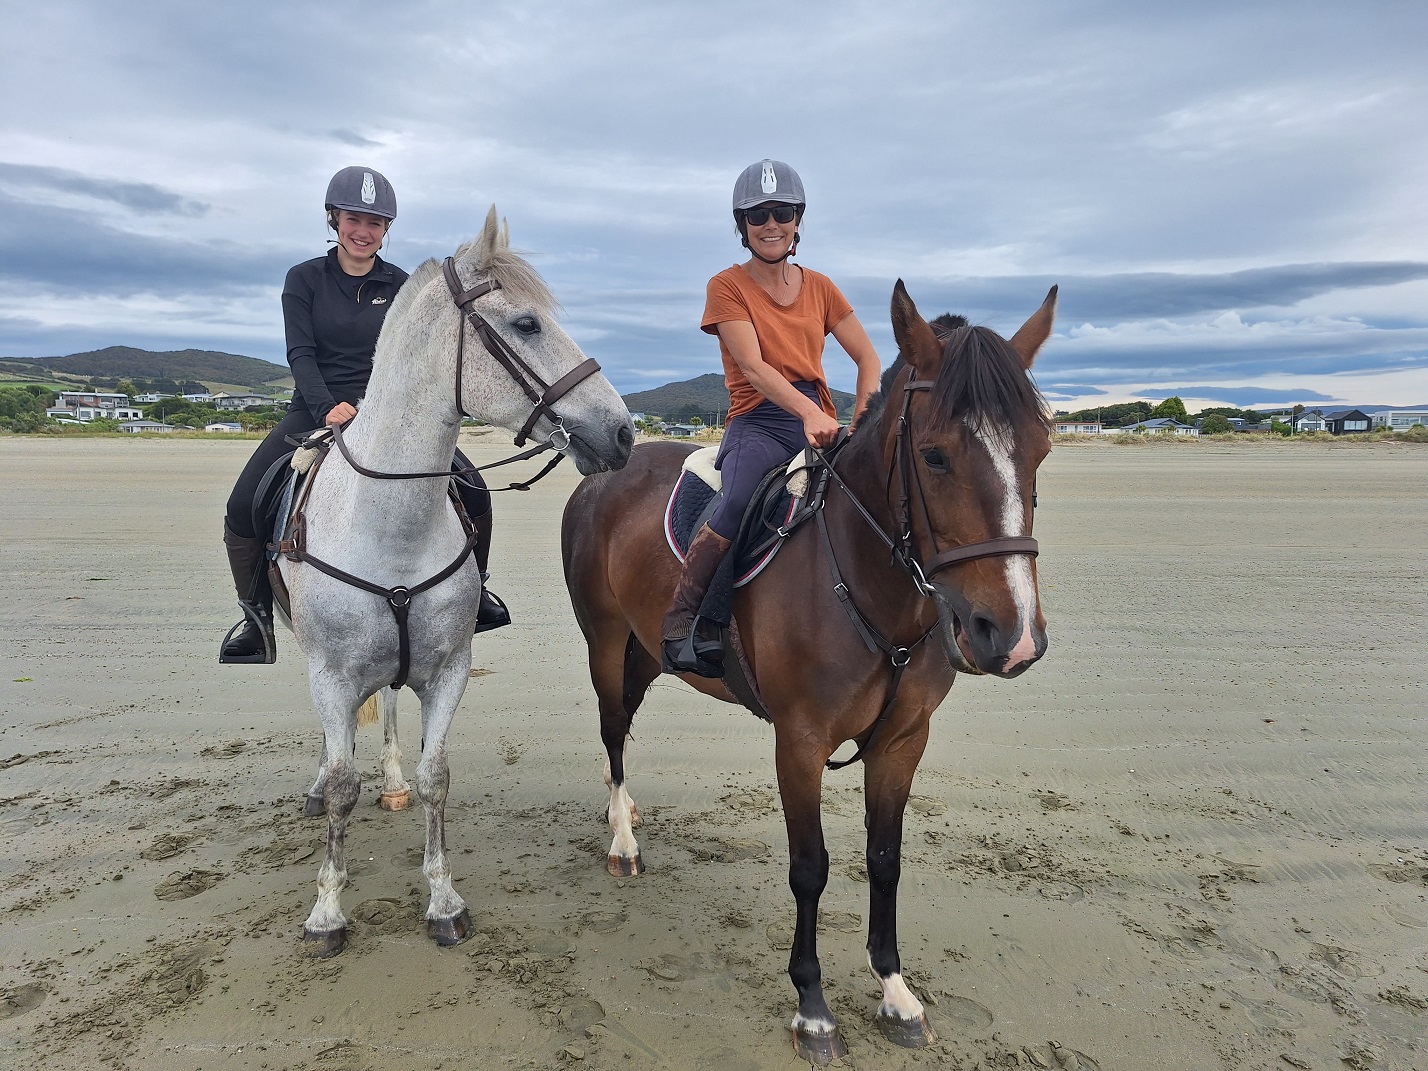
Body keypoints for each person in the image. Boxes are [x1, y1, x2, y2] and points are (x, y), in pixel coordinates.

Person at [219, 166, 509, 664]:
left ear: (386, 229)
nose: (364, 231)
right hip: (313, 410)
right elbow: (301, 353)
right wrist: (325, 405)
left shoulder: (402, 285)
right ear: (334, 218)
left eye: (376, 223)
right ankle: (256, 617)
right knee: (244, 504)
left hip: (389, 414)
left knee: (475, 491)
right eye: (355, 218)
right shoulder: (305, 278)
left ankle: (476, 594)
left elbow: (416, 358)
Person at [661, 159, 882, 677]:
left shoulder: (822, 287)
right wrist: (807, 412)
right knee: (737, 498)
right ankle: (688, 618)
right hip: (759, 419)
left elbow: (869, 360)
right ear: (742, 226)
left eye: (781, 213)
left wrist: (866, 418)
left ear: (798, 220)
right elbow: (755, 369)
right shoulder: (726, 285)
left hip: (819, 417)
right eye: (757, 215)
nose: (770, 224)